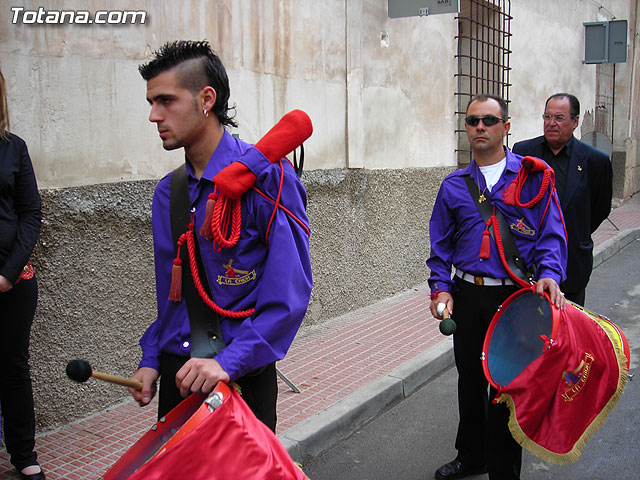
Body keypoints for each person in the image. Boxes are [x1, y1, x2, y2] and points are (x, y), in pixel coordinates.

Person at [128, 41, 312, 432]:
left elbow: (289, 296)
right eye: (151, 102)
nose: (153, 115)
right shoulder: (168, 192)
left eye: (165, 101)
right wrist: (152, 358)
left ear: (206, 99)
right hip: (181, 377)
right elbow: (173, 300)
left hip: (240, 375)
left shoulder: (270, 180)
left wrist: (228, 362)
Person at [427, 94, 567, 480]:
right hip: (469, 296)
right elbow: (440, 247)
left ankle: (504, 470)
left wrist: (550, 273)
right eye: (473, 121)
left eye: (489, 120)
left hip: (516, 298)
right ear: (466, 128)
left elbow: (551, 236)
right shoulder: (453, 186)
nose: (480, 128)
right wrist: (441, 289)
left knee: (508, 388)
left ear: (506, 128)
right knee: (470, 383)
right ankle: (471, 457)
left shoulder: (533, 178)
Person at [512, 93, 613, 306]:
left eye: (559, 118)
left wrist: (572, 232)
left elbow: (600, 208)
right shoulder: (522, 152)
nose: (551, 123)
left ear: (575, 122)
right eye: (547, 117)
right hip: (528, 263)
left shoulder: (595, 161)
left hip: (573, 263)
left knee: (567, 333)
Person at [0, 69, 45, 480]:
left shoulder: (13, 148)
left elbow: (31, 214)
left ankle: (23, 456)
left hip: (12, 283)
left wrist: (8, 274)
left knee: (13, 367)